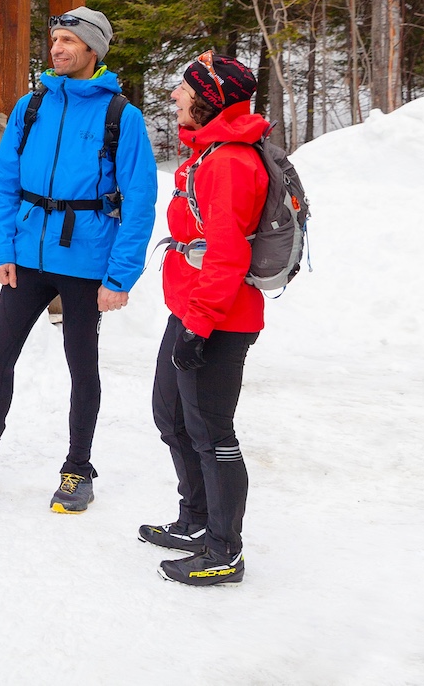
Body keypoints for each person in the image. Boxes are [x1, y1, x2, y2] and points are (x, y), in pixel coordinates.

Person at [0, 5, 157, 513]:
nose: (57, 48)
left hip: (86, 261)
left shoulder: (120, 116)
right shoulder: (31, 106)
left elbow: (141, 201)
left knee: (82, 367)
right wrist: (1, 250)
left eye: (68, 40)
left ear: (93, 50)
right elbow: (4, 183)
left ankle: (77, 469)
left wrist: (120, 276)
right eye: (55, 38)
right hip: (28, 253)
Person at [144, 51, 267, 587]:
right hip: (192, 309)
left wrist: (200, 325)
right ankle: (196, 520)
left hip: (219, 318)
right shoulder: (211, 154)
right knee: (170, 417)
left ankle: (224, 549)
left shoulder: (231, 163)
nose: (175, 98)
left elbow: (227, 255)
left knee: (212, 432)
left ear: (209, 100)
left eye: (184, 91)